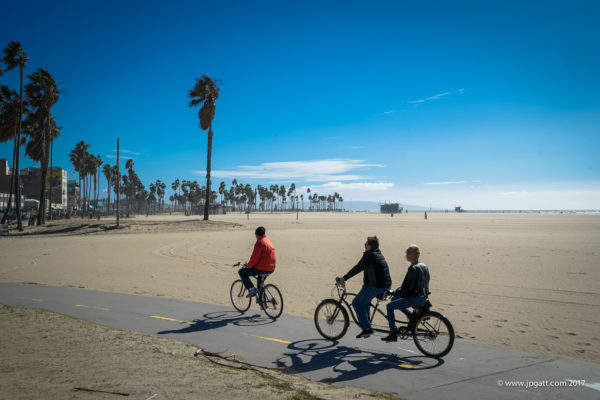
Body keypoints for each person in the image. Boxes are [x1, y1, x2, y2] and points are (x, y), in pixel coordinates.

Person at [338, 236, 392, 339]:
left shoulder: (369, 255)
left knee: (356, 303)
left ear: (369, 246)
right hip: (385, 284)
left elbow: (358, 267)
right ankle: (367, 324)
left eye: (365, 244)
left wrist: (344, 278)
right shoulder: (378, 253)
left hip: (376, 286)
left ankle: (367, 328)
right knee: (365, 299)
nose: (364, 245)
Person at [382, 245, 430, 342]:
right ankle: (410, 316)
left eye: (407, 254)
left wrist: (394, 292)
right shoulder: (424, 266)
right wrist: (396, 293)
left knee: (389, 306)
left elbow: (407, 288)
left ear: (412, 255)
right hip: (423, 297)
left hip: (415, 298)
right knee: (394, 299)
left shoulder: (413, 268)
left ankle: (393, 332)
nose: (406, 256)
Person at [238, 226, 276, 297]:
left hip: (262, 269)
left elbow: (254, 258)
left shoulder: (260, 243)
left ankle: (252, 289)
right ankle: (263, 303)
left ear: (257, 235)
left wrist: (248, 266)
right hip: (271, 268)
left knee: (241, 272)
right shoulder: (268, 241)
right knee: (260, 284)